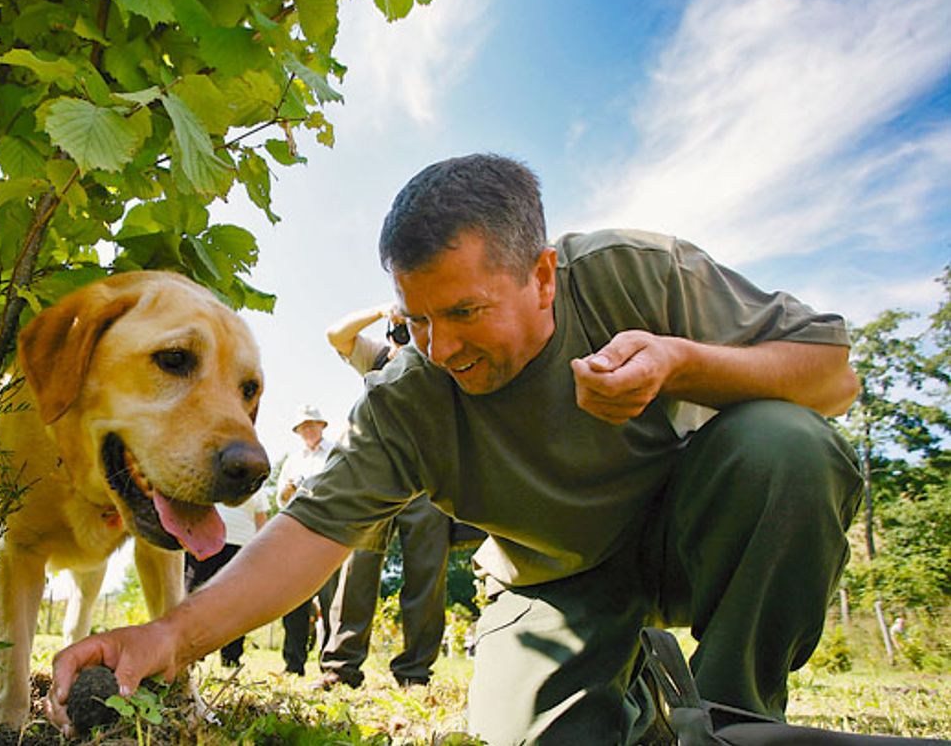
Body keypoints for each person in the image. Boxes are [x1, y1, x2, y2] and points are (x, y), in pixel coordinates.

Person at [49, 154, 862, 745]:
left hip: (686, 542)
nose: (440, 348)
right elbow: (305, 539)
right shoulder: (408, 397)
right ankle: (636, 681)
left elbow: (831, 379)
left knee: (782, 443)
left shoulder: (635, 275)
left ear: (542, 276)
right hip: (552, 587)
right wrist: (167, 636)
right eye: (418, 320)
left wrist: (684, 362)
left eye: (466, 312)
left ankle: (732, 722)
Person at [318, 303, 451, 689]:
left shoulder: (440, 360)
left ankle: (415, 672)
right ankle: (340, 668)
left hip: (428, 480)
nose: (403, 340)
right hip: (376, 477)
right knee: (356, 571)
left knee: (426, 572)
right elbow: (335, 334)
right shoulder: (376, 358)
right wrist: (383, 311)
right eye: (401, 330)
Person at [273, 404, 336, 675]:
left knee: (332, 600)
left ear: (322, 426)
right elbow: (281, 500)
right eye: (303, 426)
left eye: (313, 424)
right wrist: (287, 490)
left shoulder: (337, 452)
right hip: (299, 532)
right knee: (294, 602)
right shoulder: (292, 460)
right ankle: (293, 663)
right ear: (298, 431)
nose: (308, 430)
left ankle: (330, 663)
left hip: (332, 530)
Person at [184, 495, 267, 667]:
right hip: (202, 542)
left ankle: (231, 657)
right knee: (193, 595)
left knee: (238, 603)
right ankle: (187, 652)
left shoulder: (258, 490)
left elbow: (261, 521)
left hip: (242, 547)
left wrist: (261, 552)